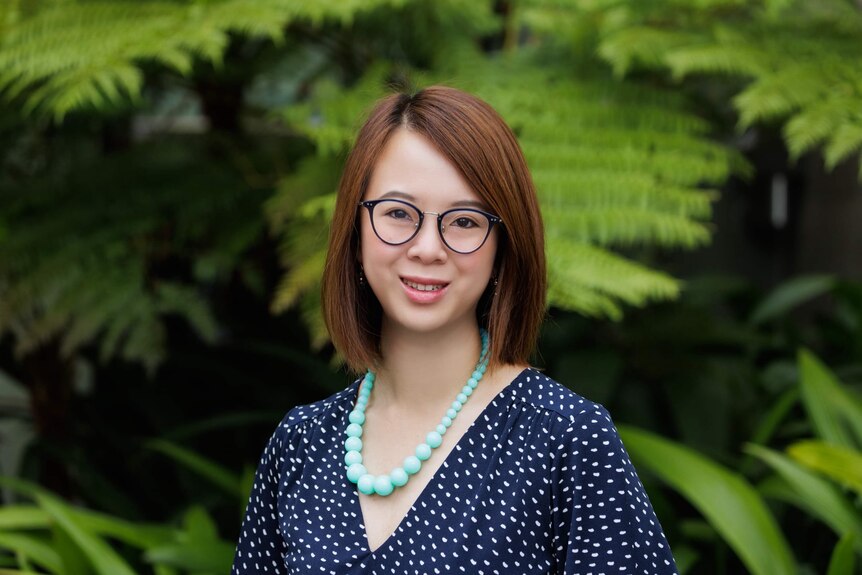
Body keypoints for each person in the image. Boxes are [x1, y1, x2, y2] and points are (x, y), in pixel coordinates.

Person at [232, 86, 678, 574]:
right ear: (356, 229)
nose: (427, 247)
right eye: (398, 213)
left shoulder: (566, 440)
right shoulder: (301, 443)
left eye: (464, 221)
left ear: (503, 246)